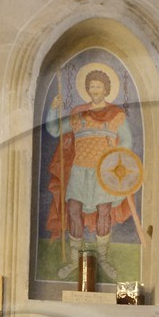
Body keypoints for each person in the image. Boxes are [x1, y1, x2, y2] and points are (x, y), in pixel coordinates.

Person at [45, 67, 136, 279]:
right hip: (79, 169)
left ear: (106, 90)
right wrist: (53, 109)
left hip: (103, 171)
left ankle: (103, 259)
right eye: (92, 86)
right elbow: (55, 130)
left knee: (103, 210)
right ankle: (74, 260)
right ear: (87, 89)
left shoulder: (115, 114)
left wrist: (114, 156)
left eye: (99, 86)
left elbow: (127, 141)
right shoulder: (79, 113)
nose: (95, 90)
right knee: (73, 209)